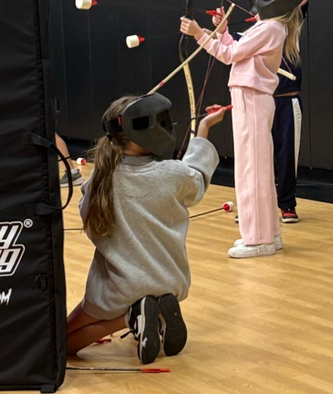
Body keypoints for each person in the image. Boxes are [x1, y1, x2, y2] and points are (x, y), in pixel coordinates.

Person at [67, 95, 227, 364]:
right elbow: (197, 176)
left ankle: (129, 316)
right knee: (67, 338)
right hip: (169, 282)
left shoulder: (101, 178)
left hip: (120, 290)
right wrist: (204, 128)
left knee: (62, 343)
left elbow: (90, 219)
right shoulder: (173, 174)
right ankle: (147, 313)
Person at [179, 0, 306, 258]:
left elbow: (229, 55)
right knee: (257, 166)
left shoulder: (271, 27)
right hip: (250, 97)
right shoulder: (269, 26)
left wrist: (199, 33)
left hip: (252, 98)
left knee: (251, 168)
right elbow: (236, 50)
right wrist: (221, 30)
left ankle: (257, 239)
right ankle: (269, 235)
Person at [271, 0, 307, 223]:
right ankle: (257, 206)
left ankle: (286, 204)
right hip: (263, 102)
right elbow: (231, 48)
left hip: (288, 103)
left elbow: (303, 2)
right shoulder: (258, 31)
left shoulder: (290, 28)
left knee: (286, 156)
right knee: (259, 157)